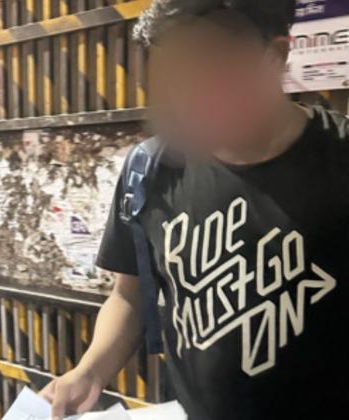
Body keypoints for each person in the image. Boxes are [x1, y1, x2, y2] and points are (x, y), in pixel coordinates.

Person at [40, 1, 349, 419]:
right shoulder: (151, 168)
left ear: (276, 56)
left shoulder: (339, 157)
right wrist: (90, 371)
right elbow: (129, 296)